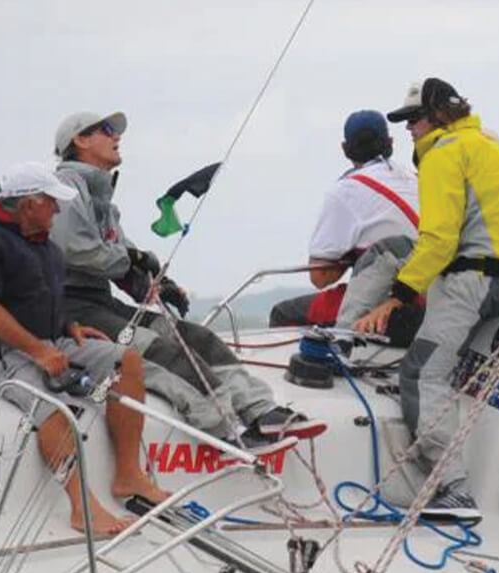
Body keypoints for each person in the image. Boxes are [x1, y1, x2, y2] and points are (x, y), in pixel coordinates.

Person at [48, 111, 317, 453]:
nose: (117, 135)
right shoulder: (66, 188)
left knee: (198, 337)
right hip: (71, 308)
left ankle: (262, 411)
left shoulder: (100, 197)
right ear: (80, 140)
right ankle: (225, 432)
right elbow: (78, 250)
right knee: (159, 349)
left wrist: (156, 283)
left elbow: (120, 254)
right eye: (106, 129)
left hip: (101, 302)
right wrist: (133, 260)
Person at [0, 162, 171, 535]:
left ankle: (128, 476)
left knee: (126, 361)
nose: (58, 211)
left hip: (45, 341)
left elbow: (35, 299)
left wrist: (68, 328)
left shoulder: (44, 246)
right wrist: (40, 352)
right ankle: (83, 509)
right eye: (52, 203)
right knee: (56, 409)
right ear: (29, 204)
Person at [353, 78, 499, 518]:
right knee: (436, 357)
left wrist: (396, 297)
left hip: (473, 281)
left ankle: (452, 487)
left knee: (420, 372)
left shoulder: (444, 154)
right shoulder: (495, 148)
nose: (408, 130)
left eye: (414, 119)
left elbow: (438, 241)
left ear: (439, 116)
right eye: (403, 122)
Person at [269, 109, 424, 345]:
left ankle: (315, 375)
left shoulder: (346, 190)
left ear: (345, 149)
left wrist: (352, 254)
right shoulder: (417, 179)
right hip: (430, 296)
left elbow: (319, 277)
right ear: (390, 143)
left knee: (284, 314)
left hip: (386, 298)